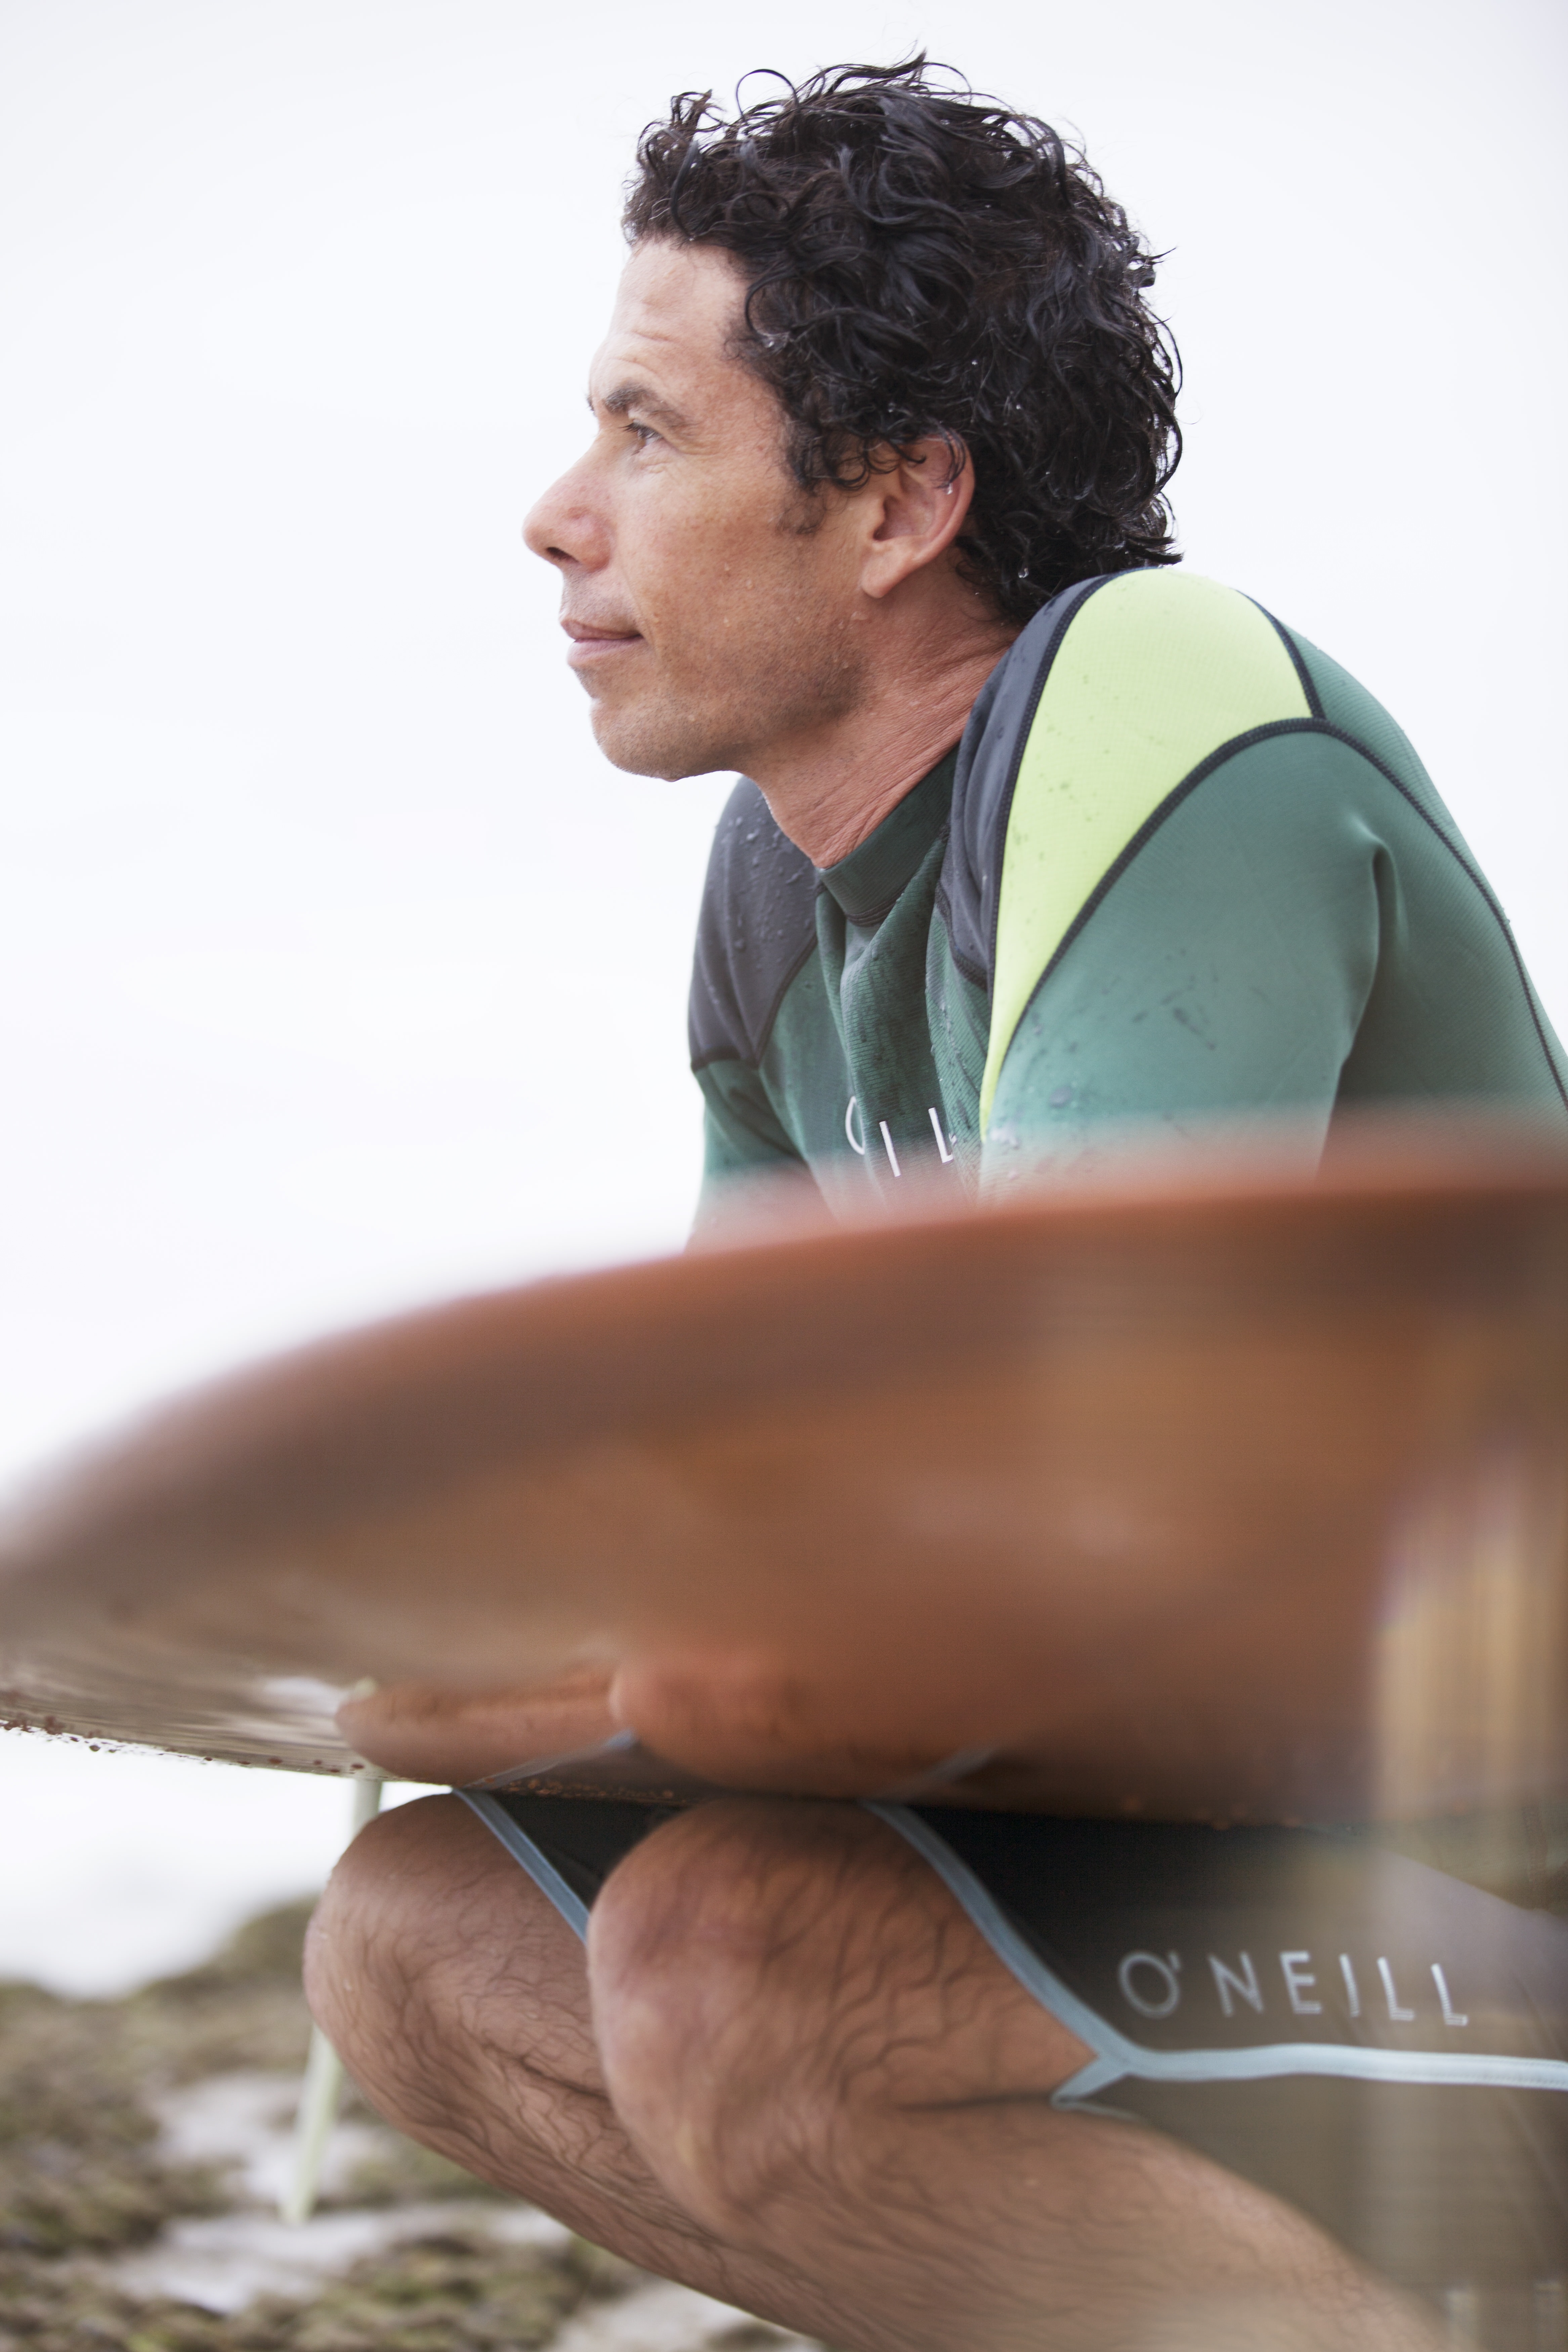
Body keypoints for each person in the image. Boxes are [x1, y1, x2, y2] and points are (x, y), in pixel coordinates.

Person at [305, 62, 1568, 2351]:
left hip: (1506, 1874)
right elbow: (751, 1528)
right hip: (1216, 1864)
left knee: (737, 1966)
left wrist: (541, 1650)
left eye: (647, 430)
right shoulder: (778, 898)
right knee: (415, 1942)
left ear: (900, 499)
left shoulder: (1163, 699)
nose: (556, 515)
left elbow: (1001, 1561)